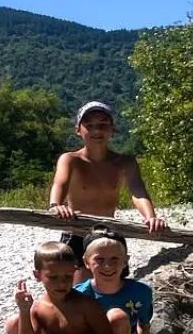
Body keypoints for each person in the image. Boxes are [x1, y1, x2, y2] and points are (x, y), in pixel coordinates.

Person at [48, 101, 167, 283]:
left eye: (103, 124)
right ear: (78, 130)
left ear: (113, 129)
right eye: (90, 125)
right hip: (77, 233)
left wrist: (151, 217)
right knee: (78, 293)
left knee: (114, 290)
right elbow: (60, 183)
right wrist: (56, 205)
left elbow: (138, 191)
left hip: (109, 233)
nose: (97, 131)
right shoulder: (70, 160)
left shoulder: (125, 163)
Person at [75, 228, 154, 334]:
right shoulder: (78, 295)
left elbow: (144, 326)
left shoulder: (141, 292)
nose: (108, 266)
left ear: (126, 261)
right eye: (99, 259)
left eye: (115, 259)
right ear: (86, 262)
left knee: (117, 317)